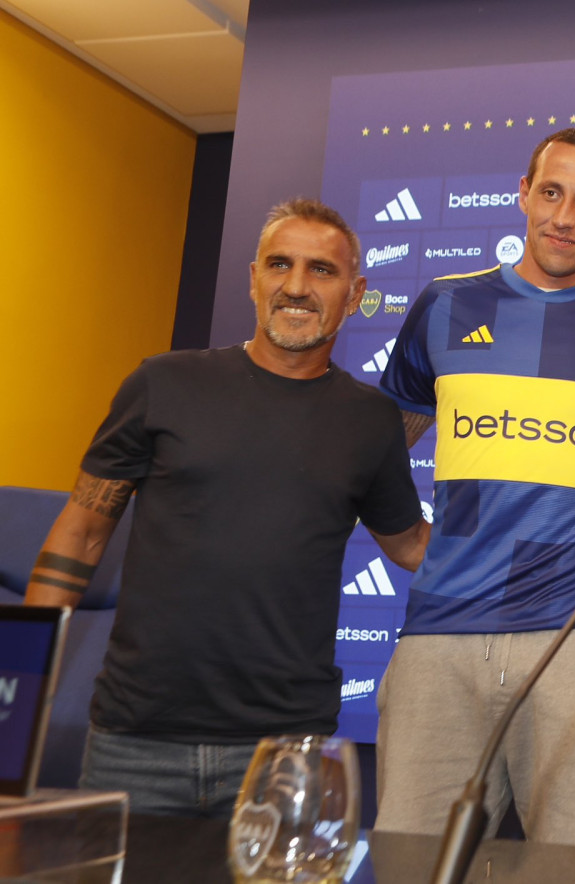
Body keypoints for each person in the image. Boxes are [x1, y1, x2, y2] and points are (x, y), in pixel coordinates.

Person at [24, 197, 429, 817]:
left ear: (356, 292)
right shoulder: (162, 384)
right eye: (279, 265)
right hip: (135, 742)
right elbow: (80, 532)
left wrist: (531, 538)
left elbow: (408, 546)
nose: (296, 286)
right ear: (253, 278)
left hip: (283, 750)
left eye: (322, 270)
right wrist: (19, 684)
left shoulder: (370, 420)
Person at [374, 128, 575, 846]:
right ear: (523, 195)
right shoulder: (445, 305)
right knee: (414, 860)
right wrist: (409, 540)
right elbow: (382, 449)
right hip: (443, 633)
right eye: (550, 193)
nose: (564, 217)